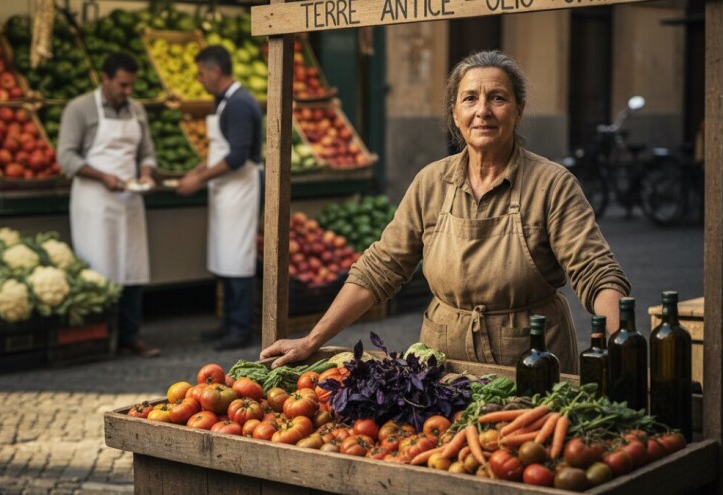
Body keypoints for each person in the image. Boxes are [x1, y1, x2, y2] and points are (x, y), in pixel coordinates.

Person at [261, 50, 631, 371]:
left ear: (518, 111)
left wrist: (623, 350)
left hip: (531, 360)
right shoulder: (431, 182)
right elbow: (381, 268)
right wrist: (312, 340)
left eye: (498, 98)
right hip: (443, 362)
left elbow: (596, 273)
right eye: (469, 99)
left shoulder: (552, 184)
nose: (482, 111)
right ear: (455, 113)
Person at [58, 52, 160, 358]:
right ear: (104, 79)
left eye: (131, 86)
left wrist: (145, 173)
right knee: (97, 269)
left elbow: (147, 153)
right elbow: (66, 157)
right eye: (122, 85)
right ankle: (98, 339)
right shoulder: (79, 109)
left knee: (132, 269)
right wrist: (103, 176)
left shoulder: (137, 111)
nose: (128, 91)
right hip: (94, 202)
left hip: (129, 201)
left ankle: (130, 336)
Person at [176, 45, 263, 351]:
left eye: (201, 73)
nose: (200, 80)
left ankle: (240, 329)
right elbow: (221, 151)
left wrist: (198, 179)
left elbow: (238, 155)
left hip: (239, 191)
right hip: (225, 191)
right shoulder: (226, 102)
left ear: (215, 71)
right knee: (225, 257)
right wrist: (199, 169)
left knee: (237, 259)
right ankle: (228, 323)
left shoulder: (239, 104)